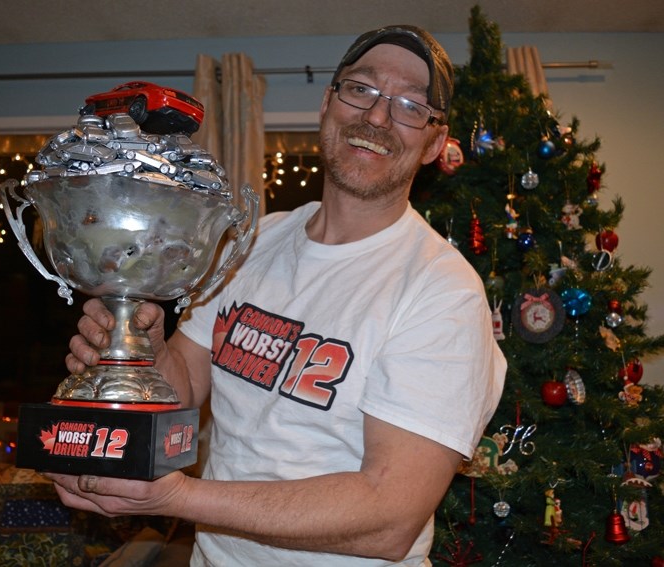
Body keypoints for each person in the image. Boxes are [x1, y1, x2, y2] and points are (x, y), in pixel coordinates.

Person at [47, 24, 506, 566]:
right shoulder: (255, 241)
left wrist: (178, 497)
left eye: (409, 105)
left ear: (432, 142)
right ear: (327, 103)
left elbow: (390, 516)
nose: (378, 117)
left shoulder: (441, 290)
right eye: (361, 89)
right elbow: (186, 387)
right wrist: (147, 351)